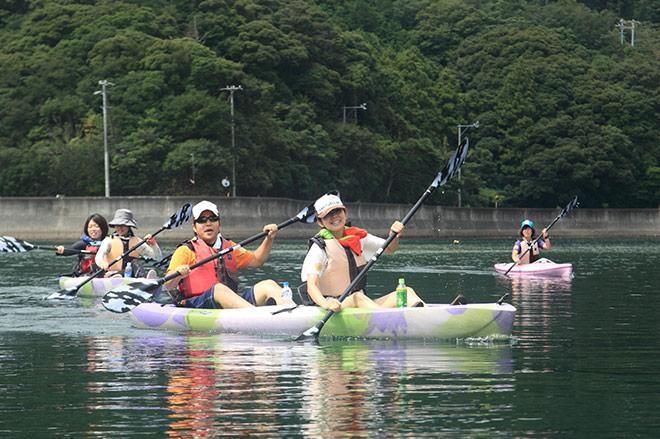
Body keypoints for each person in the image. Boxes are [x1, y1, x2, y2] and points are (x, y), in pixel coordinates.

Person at [300, 193, 424, 311]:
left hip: (360, 303)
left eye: (337, 211)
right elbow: (312, 285)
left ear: (345, 212)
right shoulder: (320, 248)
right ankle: (387, 318)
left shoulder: (359, 238)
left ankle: (423, 315)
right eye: (328, 215)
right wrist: (326, 304)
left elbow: (390, 248)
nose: (334, 217)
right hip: (333, 306)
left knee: (406, 292)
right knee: (357, 298)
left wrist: (393, 236)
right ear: (320, 222)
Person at [164, 200, 293, 309]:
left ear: (219, 223)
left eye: (212, 218)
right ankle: (258, 317)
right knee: (218, 289)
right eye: (202, 220)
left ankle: (291, 310)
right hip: (196, 305)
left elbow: (257, 260)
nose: (208, 223)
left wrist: (269, 238)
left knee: (268, 285)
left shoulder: (230, 247)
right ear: (194, 227)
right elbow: (168, 284)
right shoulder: (186, 250)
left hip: (229, 305)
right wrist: (178, 273)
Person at [95, 208, 162, 277]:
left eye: (123, 225)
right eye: (117, 225)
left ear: (129, 226)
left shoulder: (137, 241)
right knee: (131, 265)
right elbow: (99, 257)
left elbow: (157, 258)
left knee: (134, 263)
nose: (120, 228)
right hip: (112, 275)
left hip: (131, 276)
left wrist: (153, 244)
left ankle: (145, 278)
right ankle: (119, 276)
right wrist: (102, 263)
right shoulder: (108, 240)